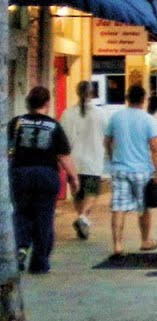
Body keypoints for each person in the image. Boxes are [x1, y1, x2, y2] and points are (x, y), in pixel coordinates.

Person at [10, 86, 78, 274]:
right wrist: (73, 178)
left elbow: (7, 150)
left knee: (21, 213)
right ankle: (39, 262)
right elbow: (63, 156)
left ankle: (21, 247)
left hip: (20, 174)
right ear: (47, 103)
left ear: (28, 103)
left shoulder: (16, 123)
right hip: (46, 175)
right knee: (44, 217)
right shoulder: (54, 125)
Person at [104, 85, 157, 258]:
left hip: (119, 168)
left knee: (118, 208)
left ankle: (118, 245)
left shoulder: (116, 118)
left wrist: (112, 155)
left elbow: (107, 141)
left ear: (127, 98)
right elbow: (155, 148)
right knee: (143, 207)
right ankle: (145, 240)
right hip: (142, 169)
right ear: (143, 100)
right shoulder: (148, 120)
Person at [59, 81, 105, 241]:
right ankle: (83, 218)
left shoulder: (67, 113)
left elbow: (62, 138)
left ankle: (82, 220)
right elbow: (106, 136)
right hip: (94, 159)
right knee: (92, 192)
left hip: (74, 160)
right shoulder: (100, 114)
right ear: (92, 94)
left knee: (77, 193)